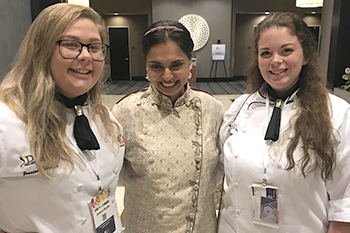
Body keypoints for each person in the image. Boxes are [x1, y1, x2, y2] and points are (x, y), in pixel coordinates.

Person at [218, 12, 350, 233]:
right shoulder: (239, 108)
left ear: (306, 55)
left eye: (286, 50)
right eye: (266, 53)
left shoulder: (336, 113)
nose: (275, 61)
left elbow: (345, 201)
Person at [0, 3, 125, 233]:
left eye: (94, 47)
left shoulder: (105, 118)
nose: (86, 56)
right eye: (71, 44)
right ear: (42, 49)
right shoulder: (6, 122)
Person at [111, 20, 225, 233]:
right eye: (156, 66)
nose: (167, 76)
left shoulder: (212, 109)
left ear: (190, 61)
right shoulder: (125, 112)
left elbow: (219, 174)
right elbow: (110, 178)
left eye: (176, 65)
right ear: (146, 64)